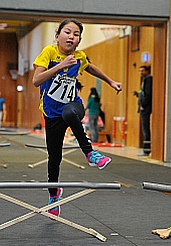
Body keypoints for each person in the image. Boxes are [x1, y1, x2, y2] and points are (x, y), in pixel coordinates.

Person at [32, 19, 122, 218]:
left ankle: (90, 154)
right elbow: (36, 80)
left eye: (76, 34)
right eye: (67, 32)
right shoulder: (49, 53)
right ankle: (53, 195)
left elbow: (90, 67)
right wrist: (61, 65)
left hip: (73, 106)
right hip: (51, 113)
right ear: (57, 36)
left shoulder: (79, 56)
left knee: (70, 113)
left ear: (79, 40)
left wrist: (110, 81)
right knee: (54, 159)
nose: (71, 37)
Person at [133, 65, 153, 156]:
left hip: (145, 108)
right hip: (142, 107)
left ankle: (146, 149)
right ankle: (146, 148)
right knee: (144, 128)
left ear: (147, 71)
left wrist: (143, 105)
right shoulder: (144, 80)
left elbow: (148, 94)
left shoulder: (148, 80)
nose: (141, 73)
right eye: (139, 71)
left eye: (142, 71)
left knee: (145, 128)